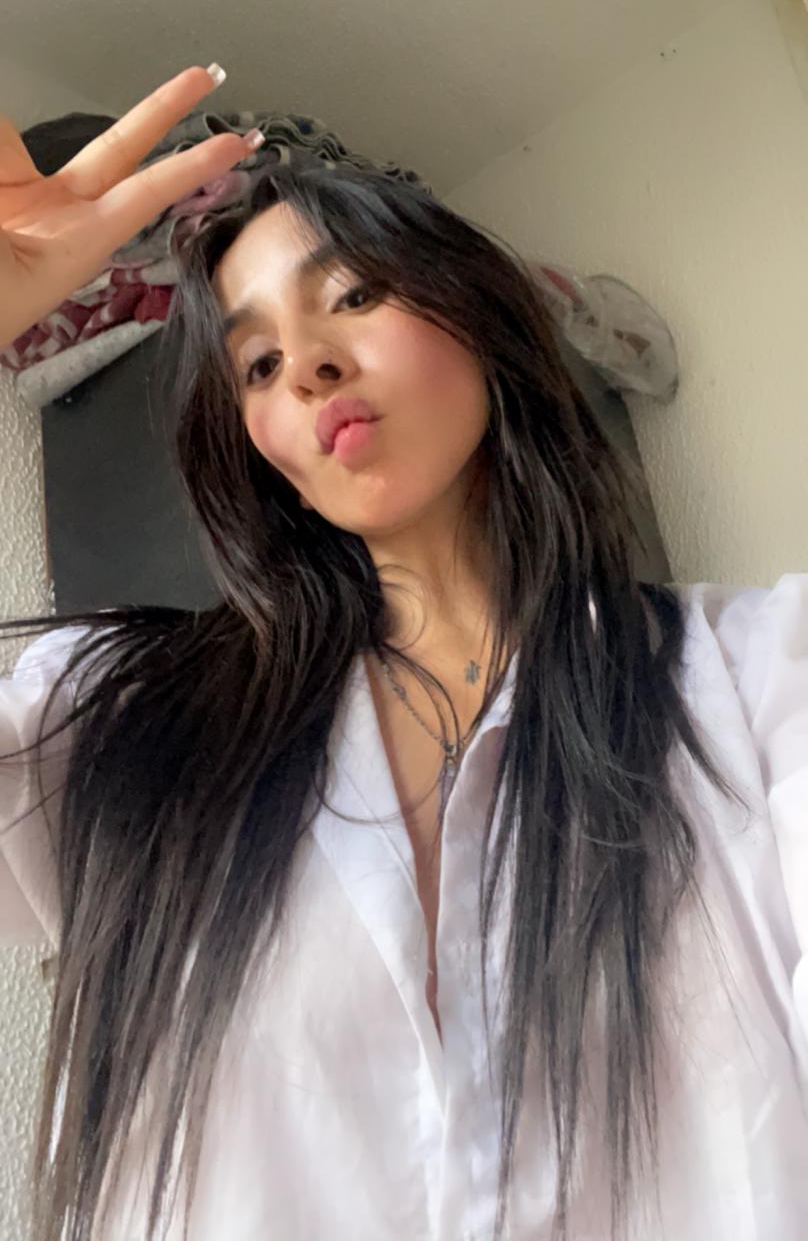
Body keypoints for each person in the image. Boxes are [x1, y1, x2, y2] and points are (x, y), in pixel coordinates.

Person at [0, 64, 806, 1241]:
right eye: (257, 364)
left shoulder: (759, 680)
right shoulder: (120, 720)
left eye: (355, 294)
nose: (307, 364)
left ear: (478, 318)